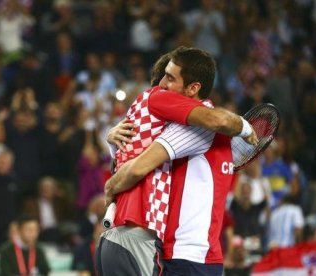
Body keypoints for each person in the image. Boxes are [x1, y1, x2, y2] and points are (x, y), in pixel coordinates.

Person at [97, 46, 256, 276]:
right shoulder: (180, 119)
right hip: (176, 251)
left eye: (170, 79)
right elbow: (138, 166)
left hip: (185, 256)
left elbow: (219, 120)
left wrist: (111, 182)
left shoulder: (195, 126)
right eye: (163, 77)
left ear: (193, 88)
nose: (162, 85)